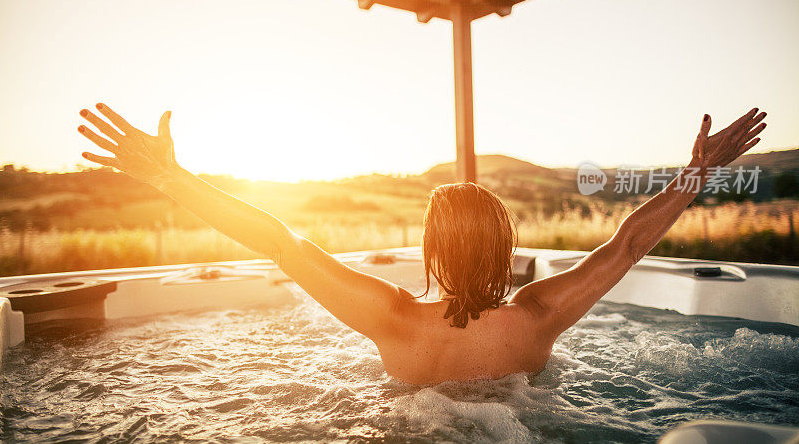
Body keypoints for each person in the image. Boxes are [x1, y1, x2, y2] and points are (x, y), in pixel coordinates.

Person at [78, 104, 766, 385]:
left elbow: (279, 242)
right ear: (506, 249)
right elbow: (627, 245)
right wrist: (697, 173)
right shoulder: (537, 319)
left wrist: (172, 179)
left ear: (431, 252)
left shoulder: (392, 318)